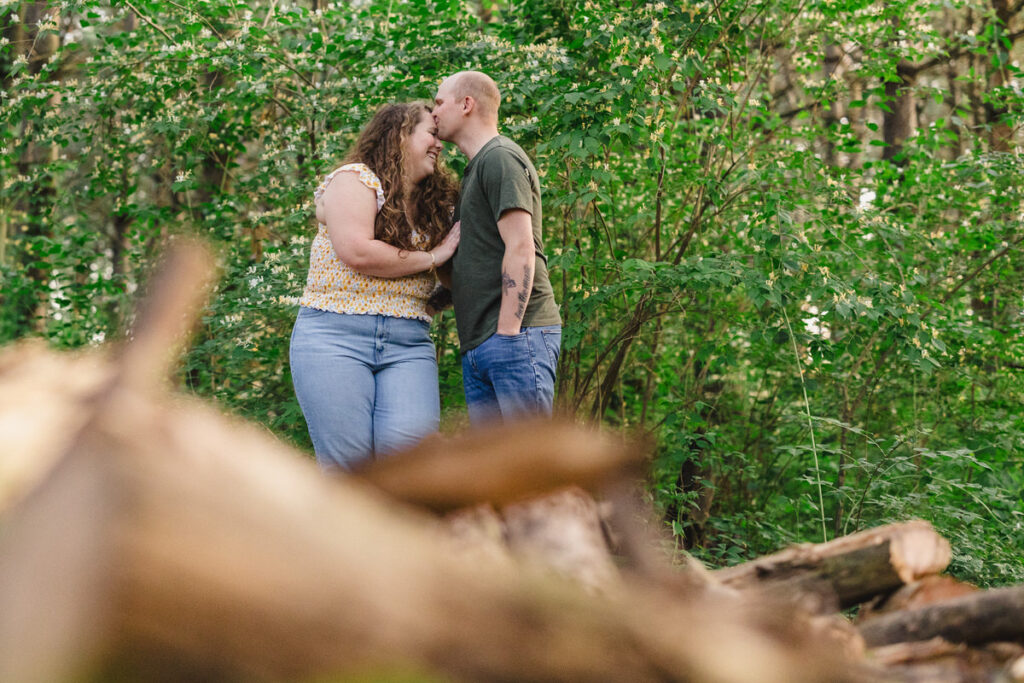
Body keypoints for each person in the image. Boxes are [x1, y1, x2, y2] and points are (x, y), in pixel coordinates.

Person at [289, 102, 460, 471]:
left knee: (410, 468)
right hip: (334, 336)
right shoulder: (355, 179)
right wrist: (434, 256)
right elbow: (358, 252)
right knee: (349, 473)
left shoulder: (439, 201)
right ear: (400, 135)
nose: (440, 144)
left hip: (408, 342)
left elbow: (456, 271)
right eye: (431, 133)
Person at [432, 71, 562, 425]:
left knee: (531, 469)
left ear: (467, 104)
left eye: (440, 102)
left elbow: (521, 246)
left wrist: (507, 333)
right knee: (503, 477)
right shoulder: (475, 170)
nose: (434, 112)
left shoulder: (500, 158)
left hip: (515, 337)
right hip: (481, 345)